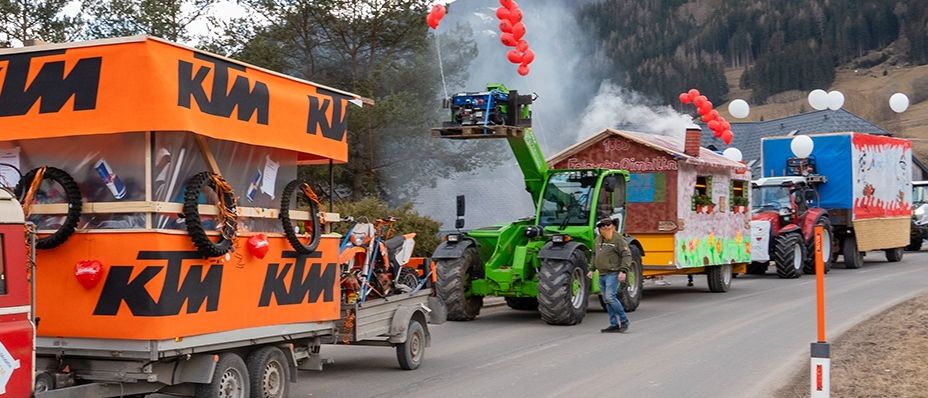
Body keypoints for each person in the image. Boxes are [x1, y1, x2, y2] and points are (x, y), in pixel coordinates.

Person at [587, 217, 631, 333]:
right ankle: (614, 324)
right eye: (602, 225)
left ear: (613, 225)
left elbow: (626, 255)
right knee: (606, 299)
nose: (606, 227)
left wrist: (623, 271)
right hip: (602, 274)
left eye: (608, 224)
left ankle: (624, 320)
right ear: (599, 228)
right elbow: (594, 255)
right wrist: (591, 269)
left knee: (610, 297)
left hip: (613, 273)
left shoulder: (618, 239)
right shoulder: (597, 240)